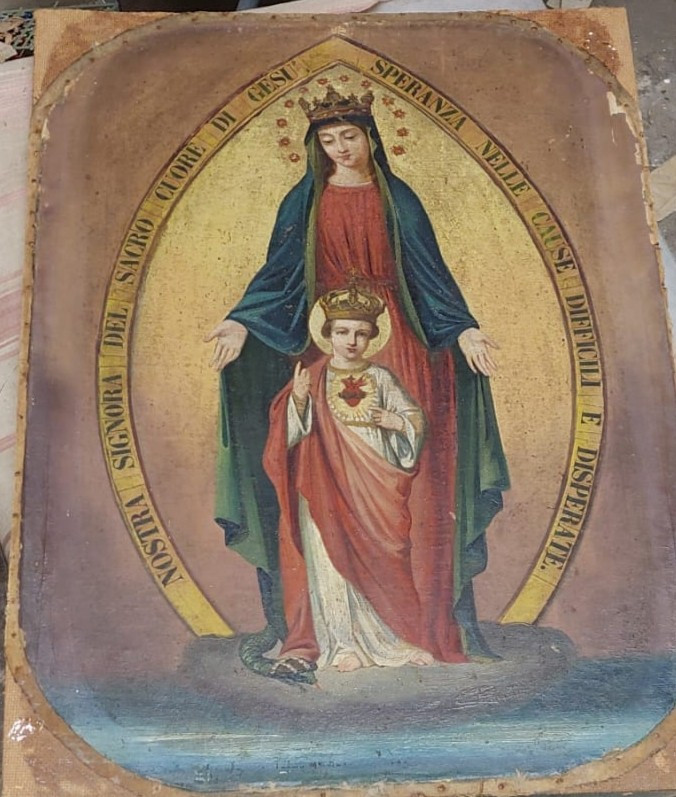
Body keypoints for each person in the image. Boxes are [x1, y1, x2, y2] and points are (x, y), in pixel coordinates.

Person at [205, 84, 509, 672]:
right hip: (327, 342)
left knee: (408, 488)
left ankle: (419, 627)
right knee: (323, 480)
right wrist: (242, 322)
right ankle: (331, 630)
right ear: (315, 146)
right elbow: (278, 275)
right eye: (329, 140)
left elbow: (431, 277)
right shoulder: (304, 202)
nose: (341, 148)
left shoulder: (400, 201)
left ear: (371, 138)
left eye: (350, 136)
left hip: (399, 348)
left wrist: (464, 329)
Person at [265, 286, 436, 678]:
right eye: (342, 332)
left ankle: (388, 641)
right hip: (322, 483)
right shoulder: (313, 377)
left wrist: (396, 422)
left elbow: (413, 420)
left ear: (372, 336)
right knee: (329, 561)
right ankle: (342, 644)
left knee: (377, 554)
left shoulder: (381, 377)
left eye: (360, 333)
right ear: (328, 334)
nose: (352, 341)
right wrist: (300, 401)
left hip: (373, 482)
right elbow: (285, 437)